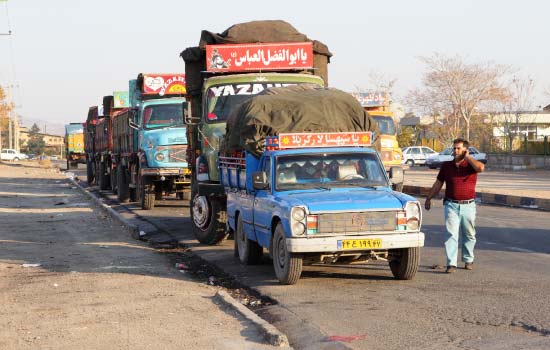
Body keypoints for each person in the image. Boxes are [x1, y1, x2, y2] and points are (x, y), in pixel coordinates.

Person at [424, 138, 485, 274]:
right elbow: (438, 184)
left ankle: (468, 259)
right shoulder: (447, 166)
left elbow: (481, 168)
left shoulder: (471, 165)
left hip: (468, 205)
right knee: (451, 234)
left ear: (465, 150)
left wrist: (468, 158)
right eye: (454, 148)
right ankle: (451, 263)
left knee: (469, 234)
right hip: (451, 204)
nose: (455, 151)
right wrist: (429, 198)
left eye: (459, 148)